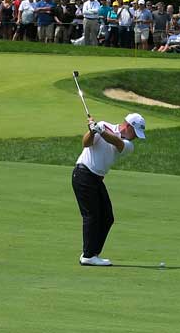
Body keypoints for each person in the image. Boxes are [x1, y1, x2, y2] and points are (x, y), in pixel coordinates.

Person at [72, 111, 147, 266]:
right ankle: (88, 256)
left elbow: (116, 143)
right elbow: (85, 143)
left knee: (107, 217)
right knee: (92, 215)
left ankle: (93, 253)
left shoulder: (128, 145)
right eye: (135, 133)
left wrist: (100, 130)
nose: (135, 138)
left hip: (97, 179)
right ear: (128, 126)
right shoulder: (103, 126)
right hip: (83, 174)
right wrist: (92, 131)